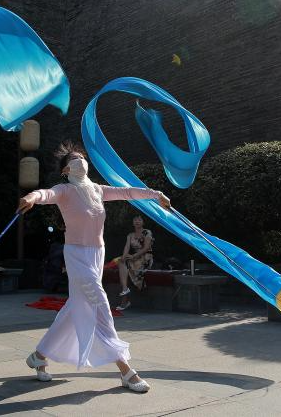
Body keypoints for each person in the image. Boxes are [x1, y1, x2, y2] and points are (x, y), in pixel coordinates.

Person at [16, 141, 170, 393]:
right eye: (73, 160)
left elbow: (127, 192)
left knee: (75, 307)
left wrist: (155, 194)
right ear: (65, 170)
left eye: (81, 158)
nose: (80, 162)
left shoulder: (98, 190)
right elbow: (46, 194)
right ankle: (126, 370)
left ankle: (39, 355)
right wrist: (31, 197)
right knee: (99, 303)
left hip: (97, 255)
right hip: (76, 255)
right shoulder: (64, 190)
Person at [115, 215, 153, 311]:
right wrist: (123, 257)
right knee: (121, 262)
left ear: (143, 222)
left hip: (146, 257)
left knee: (125, 267)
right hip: (134, 258)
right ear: (132, 223)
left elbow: (146, 248)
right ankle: (125, 289)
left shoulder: (147, 232)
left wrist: (133, 256)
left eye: (139, 220)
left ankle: (124, 300)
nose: (137, 221)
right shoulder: (130, 235)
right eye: (135, 220)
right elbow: (127, 248)